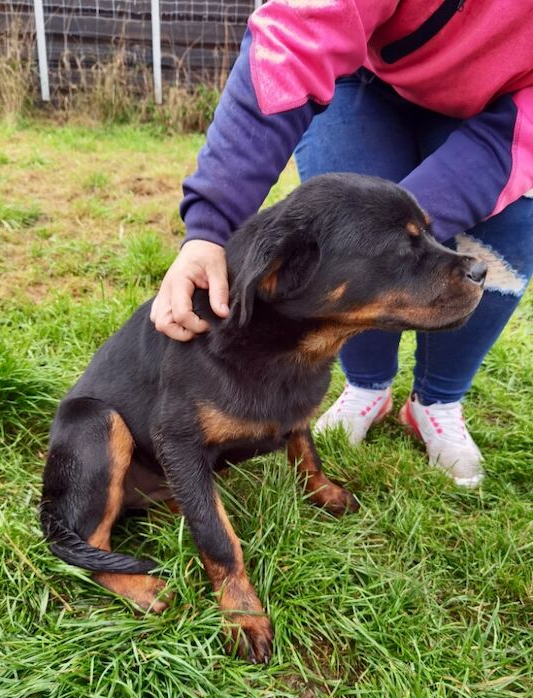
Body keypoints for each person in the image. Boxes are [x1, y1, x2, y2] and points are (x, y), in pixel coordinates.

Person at [150, 0, 533, 488]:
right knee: (348, 255)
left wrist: (399, 228)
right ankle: (367, 387)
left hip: (512, 105)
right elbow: (294, 38)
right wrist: (208, 228)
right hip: (365, 75)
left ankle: (438, 401)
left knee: (510, 217)